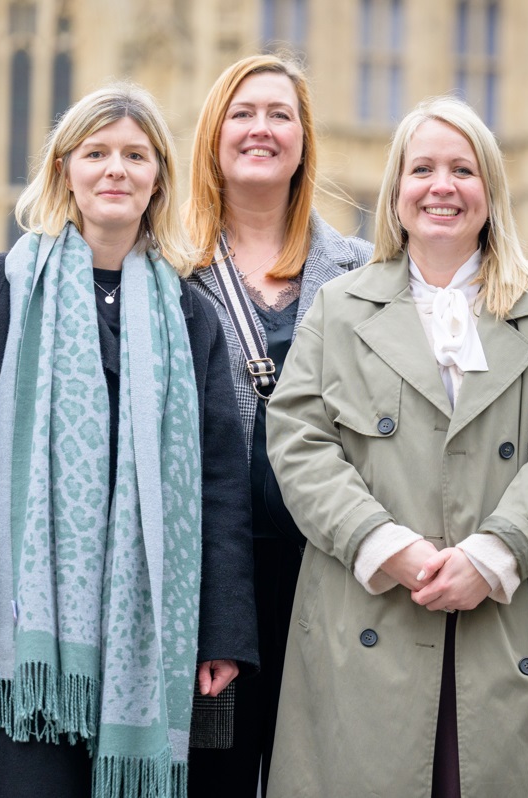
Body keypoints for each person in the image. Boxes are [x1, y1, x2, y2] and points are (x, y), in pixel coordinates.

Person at [0, 81, 259, 798]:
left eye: (135, 155)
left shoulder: (190, 317)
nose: (115, 170)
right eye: (96, 152)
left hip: (147, 629)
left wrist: (223, 630)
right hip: (14, 633)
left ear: (158, 176)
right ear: (64, 169)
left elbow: (220, 485)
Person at [265, 95, 528, 797]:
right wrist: (384, 545)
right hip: (369, 607)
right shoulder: (337, 307)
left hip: (515, 610)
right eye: (420, 169)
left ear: (490, 191)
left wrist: (492, 555)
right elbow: (298, 440)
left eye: (462, 169)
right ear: (396, 193)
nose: (441, 187)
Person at [182, 54, 371, 796]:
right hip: (209, 582)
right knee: (210, 774)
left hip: (331, 575)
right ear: (213, 135)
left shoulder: (362, 272)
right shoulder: (165, 269)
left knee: (324, 775)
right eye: (242, 113)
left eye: (279, 114)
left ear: (303, 138)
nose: (261, 129)